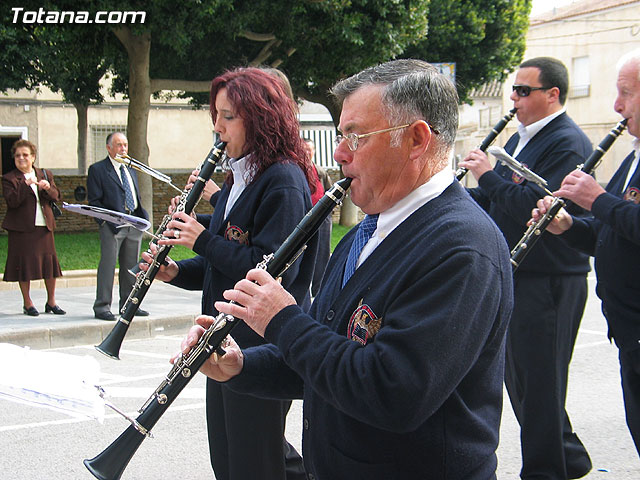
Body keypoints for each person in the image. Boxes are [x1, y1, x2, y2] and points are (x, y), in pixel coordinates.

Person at [178, 59, 514, 479]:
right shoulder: (371, 229)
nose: (338, 153)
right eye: (341, 136)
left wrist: (280, 319)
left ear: (415, 139)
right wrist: (242, 364)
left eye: (356, 137)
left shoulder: (461, 248)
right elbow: (323, 356)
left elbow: (391, 392)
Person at [142, 67, 317, 480]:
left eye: (228, 116)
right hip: (222, 339)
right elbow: (221, 261)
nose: (217, 126)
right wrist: (173, 271)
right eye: (216, 115)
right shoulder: (238, 175)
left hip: (256, 347)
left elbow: (270, 271)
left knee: (254, 460)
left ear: (260, 118)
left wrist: (200, 237)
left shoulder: (282, 181)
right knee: (228, 457)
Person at [458, 57, 593, 479]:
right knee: (524, 385)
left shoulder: (567, 142)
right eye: (512, 91)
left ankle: (547, 470)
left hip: (549, 278)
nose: (513, 100)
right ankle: (569, 458)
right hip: (520, 275)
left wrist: (487, 176)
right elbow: (498, 202)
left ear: (552, 95)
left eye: (523, 91)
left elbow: (534, 211)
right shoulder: (520, 141)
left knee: (539, 387)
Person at [531, 49, 640, 457]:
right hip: (629, 332)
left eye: (627, 94)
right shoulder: (632, 155)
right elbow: (611, 234)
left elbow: (615, 214)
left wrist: (597, 201)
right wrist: (567, 226)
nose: (617, 105)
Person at [87, 132, 149, 321]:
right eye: (119, 145)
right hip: (112, 226)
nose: (123, 149)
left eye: (125, 145)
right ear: (109, 148)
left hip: (133, 224)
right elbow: (94, 200)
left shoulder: (130, 170)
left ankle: (128, 304)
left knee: (131, 267)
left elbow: (134, 196)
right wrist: (105, 221)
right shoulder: (98, 170)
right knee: (108, 265)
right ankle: (102, 306)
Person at [2, 139, 65, 316]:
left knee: (49, 264)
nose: (21, 158)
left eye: (25, 155)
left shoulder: (44, 174)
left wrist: (46, 188)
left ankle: (51, 301)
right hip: (21, 229)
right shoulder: (9, 178)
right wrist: (25, 184)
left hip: (44, 226)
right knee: (24, 266)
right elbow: (12, 202)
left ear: (33, 157)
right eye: (17, 155)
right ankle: (27, 303)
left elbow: (56, 196)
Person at [303, 138, 333, 296]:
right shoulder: (297, 170)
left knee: (322, 253)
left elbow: (330, 190)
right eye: (305, 149)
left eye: (310, 149)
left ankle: (318, 291)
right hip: (304, 218)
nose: (308, 152)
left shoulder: (320, 171)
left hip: (322, 217)